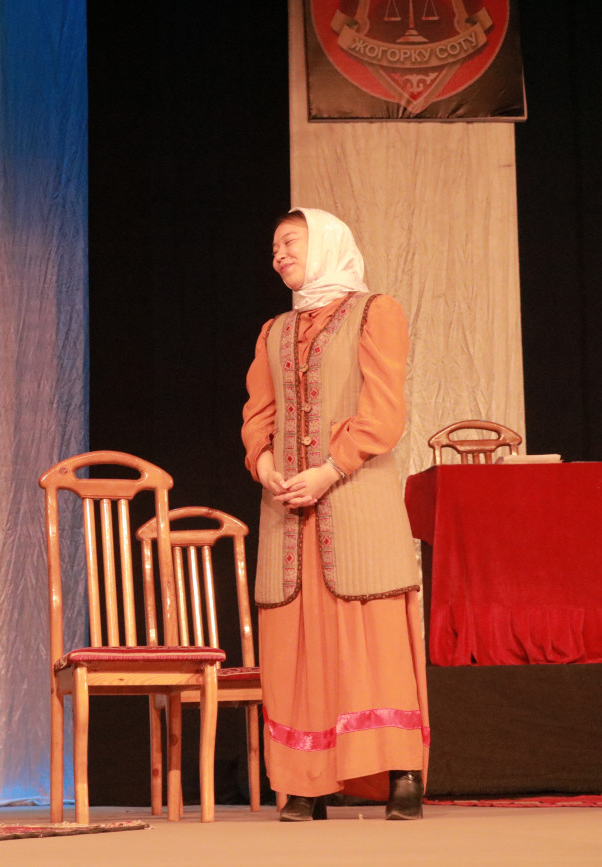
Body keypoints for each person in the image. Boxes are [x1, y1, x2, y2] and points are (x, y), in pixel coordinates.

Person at [241, 208, 429, 822]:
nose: (279, 255)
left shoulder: (375, 311)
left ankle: (400, 772)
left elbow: (383, 412)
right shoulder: (273, 331)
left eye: (290, 242)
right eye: (275, 247)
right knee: (299, 644)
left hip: (355, 498)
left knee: (371, 637)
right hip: (288, 510)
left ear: (325, 244)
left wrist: (328, 470)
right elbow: (258, 412)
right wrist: (264, 463)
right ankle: (307, 780)